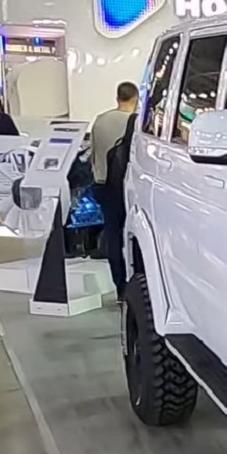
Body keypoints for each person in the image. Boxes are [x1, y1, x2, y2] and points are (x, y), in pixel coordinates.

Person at [90, 82, 139, 299]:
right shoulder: (134, 122)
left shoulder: (100, 119)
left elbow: (93, 153)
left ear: (117, 97)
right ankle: (133, 284)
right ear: (136, 99)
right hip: (123, 185)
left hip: (102, 184)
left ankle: (119, 287)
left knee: (113, 236)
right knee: (132, 236)